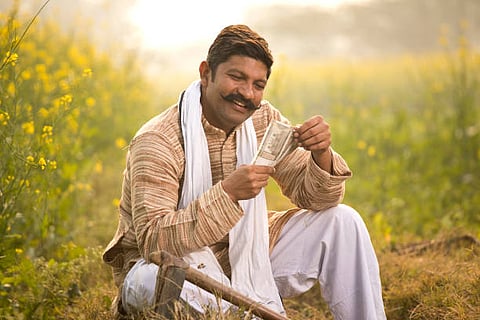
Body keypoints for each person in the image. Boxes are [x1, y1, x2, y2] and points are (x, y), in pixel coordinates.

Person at [103, 24, 387, 319]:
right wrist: (227, 194)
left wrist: (321, 153)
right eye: (236, 77)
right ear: (206, 73)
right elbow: (153, 240)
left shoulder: (263, 119)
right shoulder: (159, 139)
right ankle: (242, 310)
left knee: (343, 221)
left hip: (247, 257)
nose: (246, 93)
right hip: (171, 267)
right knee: (158, 280)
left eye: (258, 84)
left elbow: (316, 199)